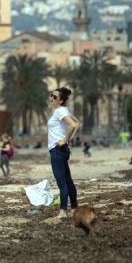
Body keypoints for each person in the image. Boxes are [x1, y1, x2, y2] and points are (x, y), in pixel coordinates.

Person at [47, 87, 80, 219]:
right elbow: (77, 123)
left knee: (62, 182)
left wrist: (65, 139)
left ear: (60, 101)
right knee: (67, 180)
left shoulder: (59, 111)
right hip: (62, 149)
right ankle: (74, 208)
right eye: (51, 95)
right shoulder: (64, 110)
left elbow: (72, 125)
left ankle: (62, 211)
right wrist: (69, 139)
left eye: (54, 97)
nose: (51, 98)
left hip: (57, 150)